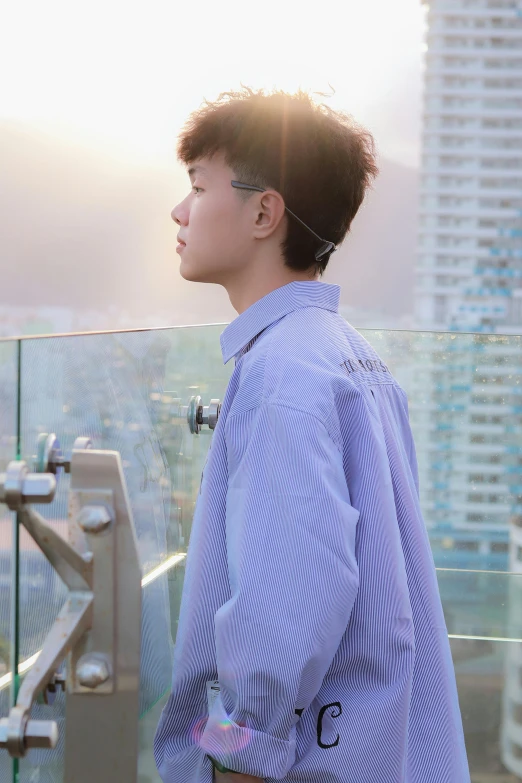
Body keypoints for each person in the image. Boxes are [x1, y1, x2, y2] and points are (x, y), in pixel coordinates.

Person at [153, 87, 470, 783]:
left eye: (198, 187)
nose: (179, 211)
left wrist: (242, 755)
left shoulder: (281, 371)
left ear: (264, 210)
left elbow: (290, 592)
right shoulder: (350, 352)